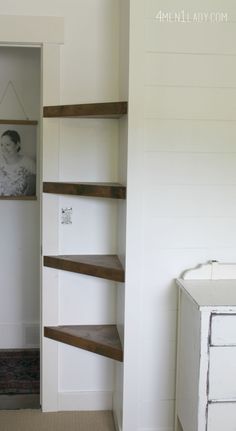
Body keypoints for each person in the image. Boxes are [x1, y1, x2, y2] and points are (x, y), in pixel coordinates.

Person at [0, 130, 36, 196]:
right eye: (1, 145)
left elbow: (34, 191)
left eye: (8, 145)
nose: (3, 148)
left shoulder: (29, 163)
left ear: (17, 145)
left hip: (21, 205)